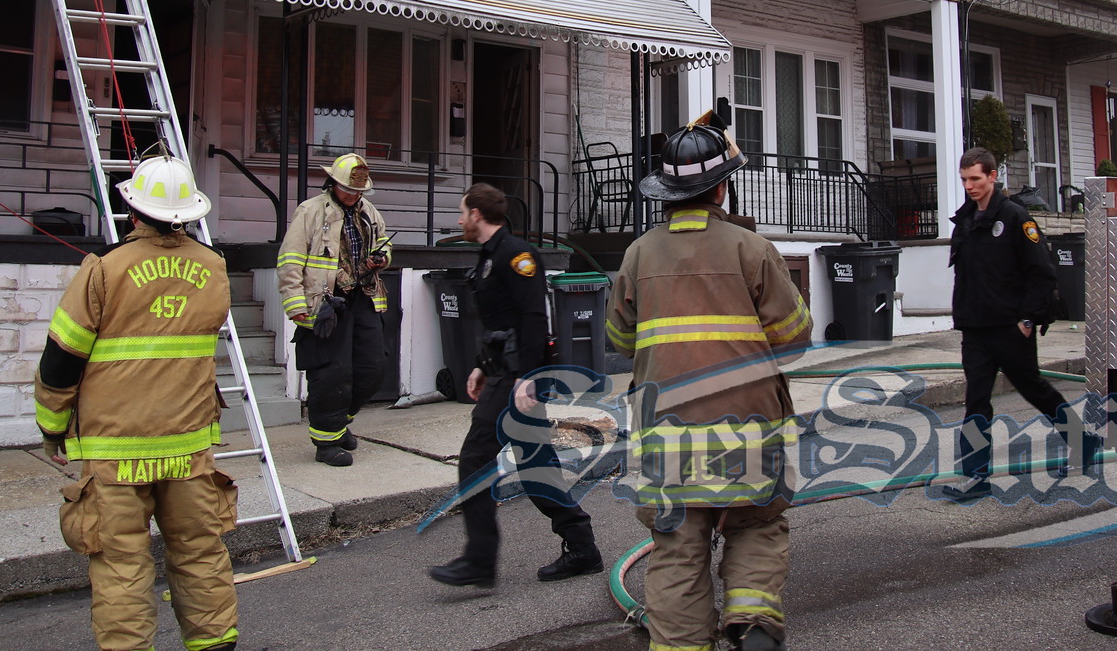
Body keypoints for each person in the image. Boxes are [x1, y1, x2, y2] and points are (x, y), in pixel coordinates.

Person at [608, 113, 813, 651]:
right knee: (754, 524)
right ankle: (753, 625)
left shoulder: (636, 255)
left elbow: (620, 340)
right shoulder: (753, 249)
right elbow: (793, 337)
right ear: (722, 187)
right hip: (748, 425)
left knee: (677, 544)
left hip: (666, 429)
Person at [33, 154, 240, 651]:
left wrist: (52, 426)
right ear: (190, 214)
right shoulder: (214, 268)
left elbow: (61, 359)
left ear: (132, 210)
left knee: (121, 561)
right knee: (199, 549)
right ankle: (215, 642)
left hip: (114, 448)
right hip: (188, 445)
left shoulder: (104, 269)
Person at [429, 182, 602, 587]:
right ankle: (582, 547)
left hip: (518, 379)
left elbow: (532, 319)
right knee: (536, 464)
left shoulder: (518, 255)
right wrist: (480, 367)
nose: (458, 220)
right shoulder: (490, 257)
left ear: (476, 214)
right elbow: (498, 324)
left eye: (462, 212)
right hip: (503, 372)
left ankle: (479, 561)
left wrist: (527, 377)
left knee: (475, 460)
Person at [944, 147, 1088, 502]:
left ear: (993, 176)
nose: (970, 186)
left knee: (1034, 389)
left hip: (1010, 326)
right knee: (976, 401)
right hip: (975, 327)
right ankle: (975, 477)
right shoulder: (965, 219)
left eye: (976, 178)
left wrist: (1028, 318)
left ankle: (1083, 442)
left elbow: (1041, 273)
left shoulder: (1015, 217)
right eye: (964, 180)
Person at [277, 152, 391, 467]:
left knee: (373, 368)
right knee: (331, 372)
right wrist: (295, 303)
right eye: (348, 189)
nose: (354, 195)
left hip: (363, 296)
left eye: (359, 191)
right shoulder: (310, 211)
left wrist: (381, 258)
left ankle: (339, 425)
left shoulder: (369, 211)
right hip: (326, 301)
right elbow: (290, 258)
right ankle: (326, 442)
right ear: (333, 183)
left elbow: (383, 243)